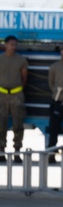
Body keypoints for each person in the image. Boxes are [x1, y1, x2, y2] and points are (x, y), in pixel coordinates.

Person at [0, 35, 28, 164]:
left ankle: (17, 151)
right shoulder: (1, 59)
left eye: (15, 44)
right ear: (5, 44)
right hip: (2, 95)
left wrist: (18, 90)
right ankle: (1, 151)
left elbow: (24, 78)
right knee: (1, 124)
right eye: (11, 44)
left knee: (18, 125)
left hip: (17, 95)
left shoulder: (21, 60)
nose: (13, 47)